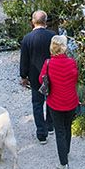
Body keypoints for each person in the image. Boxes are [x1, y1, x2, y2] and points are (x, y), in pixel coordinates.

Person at [39, 35, 80, 169]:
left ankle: (63, 163)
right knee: (67, 127)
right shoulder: (72, 62)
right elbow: (75, 78)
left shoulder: (48, 63)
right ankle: (66, 152)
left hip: (55, 102)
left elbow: (41, 79)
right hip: (71, 101)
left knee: (59, 131)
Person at [17, 10, 57, 144]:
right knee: (51, 100)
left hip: (35, 76)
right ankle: (50, 125)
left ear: (33, 21)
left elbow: (24, 59)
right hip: (51, 74)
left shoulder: (27, 38)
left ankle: (41, 133)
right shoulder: (53, 36)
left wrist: (23, 76)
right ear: (45, 22)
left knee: (37, 104)